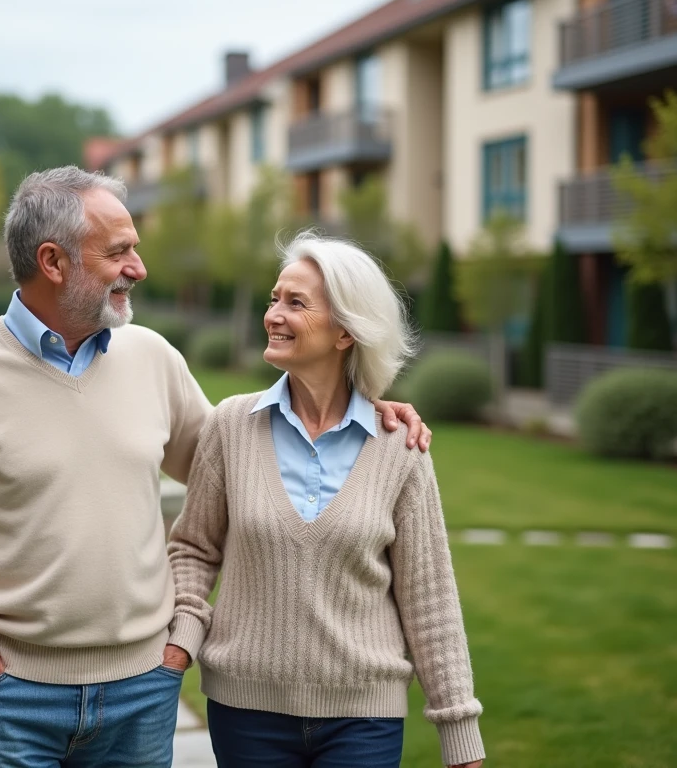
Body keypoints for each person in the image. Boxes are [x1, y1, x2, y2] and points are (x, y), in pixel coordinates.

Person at [0, 167, 432, 768]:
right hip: (8, 700)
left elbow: (249, 457)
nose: (139, 267)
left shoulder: (153, 358)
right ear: (54, 263)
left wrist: (359, 408)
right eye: (119, 251)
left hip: (142, 694)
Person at [167, 232, 484, 768]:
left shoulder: (399, 447)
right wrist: (183, 638)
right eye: (273, 299)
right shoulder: (230, 426)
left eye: (295, 303)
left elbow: (429, 597)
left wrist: (459, 730)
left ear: (345, 332)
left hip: (365, 716)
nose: (273, 314)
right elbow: (194, 549)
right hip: (246, 711)